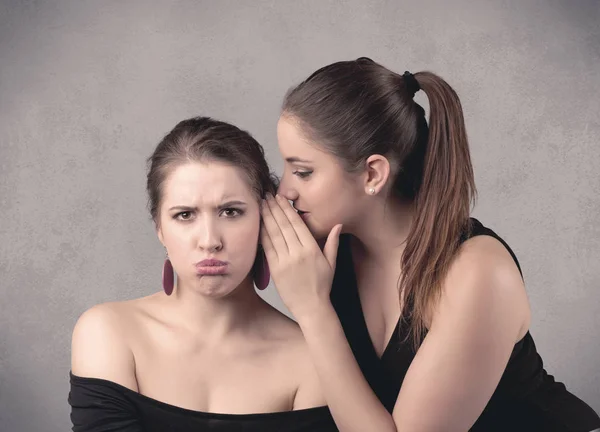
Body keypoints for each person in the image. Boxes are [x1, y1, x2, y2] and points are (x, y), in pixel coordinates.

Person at [260, 57, 600, 431]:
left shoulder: (478, 272)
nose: (286, 190)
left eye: (303, 171)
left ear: (373, 173)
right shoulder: (332, 248)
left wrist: (312, 310)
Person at [68, 117, 338, 432]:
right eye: (185, 215)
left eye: (231, 212)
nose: (210, 240)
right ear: (160, 228)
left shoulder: (310, 358)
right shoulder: (108, 333)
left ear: (267, 218)